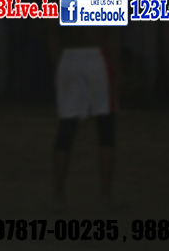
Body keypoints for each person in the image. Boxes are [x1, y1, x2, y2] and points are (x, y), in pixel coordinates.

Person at [48, 12, 121, 209]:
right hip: (96, 54)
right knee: (105, 126)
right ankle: (106, 197)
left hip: (69, 54)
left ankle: (58, 195)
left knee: (67, 126)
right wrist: (116, 69)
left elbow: (52, 31)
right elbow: (111, 33)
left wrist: (57, 64)